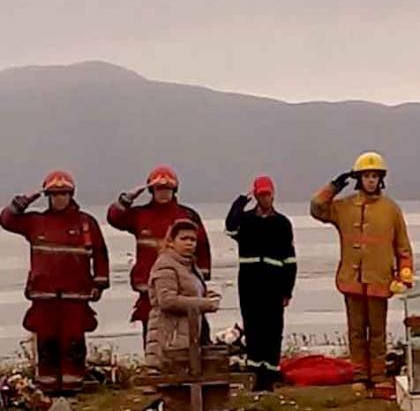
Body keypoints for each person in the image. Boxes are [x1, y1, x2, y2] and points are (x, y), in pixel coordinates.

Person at [310, 151, 414, 394]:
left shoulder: (391, 209)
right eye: (366, 176)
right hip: (351, 281)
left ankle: (378, 375)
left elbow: (403, 246)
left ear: (381, 179)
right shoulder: (343, 207)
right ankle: (359, 375)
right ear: (358, 178)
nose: (371, 180)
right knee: (356, 331)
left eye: (375, 176)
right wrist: (334, 187)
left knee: (377, 332)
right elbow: (316, 208)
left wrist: (404, 274)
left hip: (379, 280)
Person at [0, 170, 109, 393]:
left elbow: (100, 254)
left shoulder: (86, 223)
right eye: (54, 194)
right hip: (44, 298)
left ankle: (72, 390)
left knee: (74, 345)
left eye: (64, 193)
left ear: (71, 194)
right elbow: (7, 220)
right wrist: (20, 203)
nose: (60, 198)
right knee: (46, 345)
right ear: (47, 196)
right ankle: (47, 392)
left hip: (75, 298)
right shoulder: (35, 222)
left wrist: (99, 284)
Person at [107, 165, 211, 343]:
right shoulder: (140, 215)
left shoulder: (187, 215)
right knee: (154, 340)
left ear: (174, 190)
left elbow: (202, 247)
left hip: (184, 293)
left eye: (167, 189)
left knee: (194, 338)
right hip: (150, 293)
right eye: (159, 189)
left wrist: (201, 280)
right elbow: (114, 218)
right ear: (151, 190)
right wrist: (126, 199)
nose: (163, 193)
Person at [225, 176, 297, 392]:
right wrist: (240, 201)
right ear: (256, 196)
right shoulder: (245, 220)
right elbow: (229, 227)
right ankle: (255, 373)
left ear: (273, 194)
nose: (265, 198)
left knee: (273, 329)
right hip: (249, 283)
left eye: (268, 194)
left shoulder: (282, 223)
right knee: (253, 327)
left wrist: (287, 290)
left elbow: (290, 260)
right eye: (261, 194)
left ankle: (271, 373)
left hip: (274, 284)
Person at [144, 219, 220, 373]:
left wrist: (208, 295)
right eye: (184, 239)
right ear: (171, 242)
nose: (189, 243)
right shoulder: (165, 265)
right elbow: (167, 300)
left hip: (189, 334)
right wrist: (205, 304)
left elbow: (190, 292)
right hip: (169, 336)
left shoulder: (190, 266)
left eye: (192, 239)